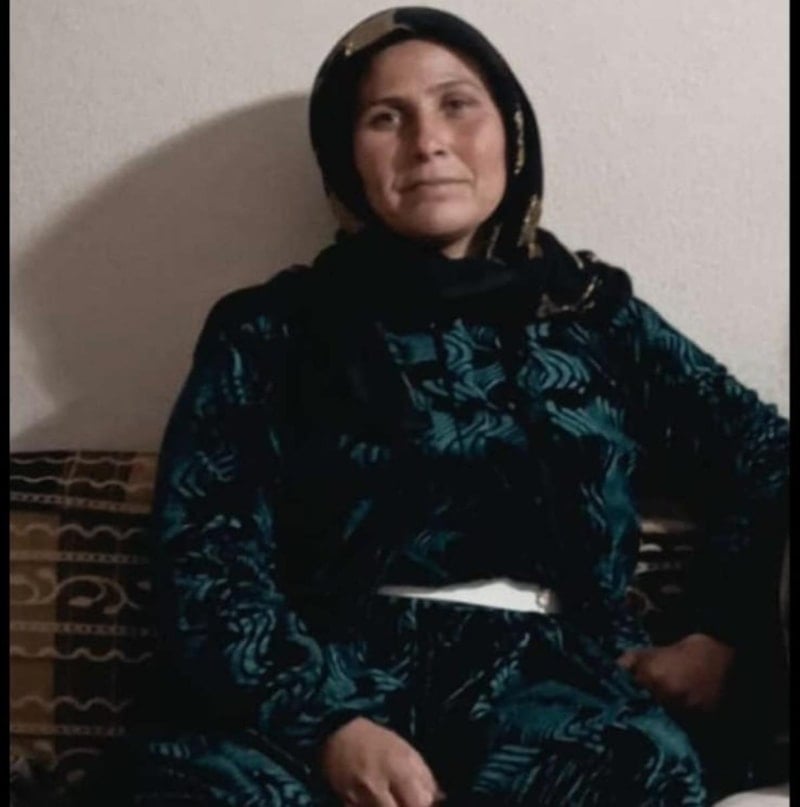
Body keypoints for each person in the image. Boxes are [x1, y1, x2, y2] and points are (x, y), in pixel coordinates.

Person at [84, 7, 788, 806]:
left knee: (634, 772)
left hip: (560, 690)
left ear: (511, 131)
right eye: (386, 118)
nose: (428, 142)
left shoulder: (594, 319)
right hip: (323, 682)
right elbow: (207, 551)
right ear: (345, 155)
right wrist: (328, 726)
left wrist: (719, 633)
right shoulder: (274, 330)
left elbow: (769, 458)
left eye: (457, 104)